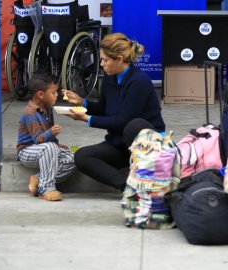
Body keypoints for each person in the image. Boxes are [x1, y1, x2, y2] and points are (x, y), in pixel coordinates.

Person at [62, 32, 165, 192]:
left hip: (146, 145)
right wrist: (83, 103)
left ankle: (152, 176)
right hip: (120, 145)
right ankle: (131, 187)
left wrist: (87, 119)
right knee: (82, 156)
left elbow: (123, 120)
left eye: (105, 60)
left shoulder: (139, 81)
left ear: (119, 59)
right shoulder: (109, 79)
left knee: (134, 125)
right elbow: (105, 109)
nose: (101, 64)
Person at [17, 71, 75, 201]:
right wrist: (51, 134)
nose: (56, 96)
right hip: (27, 150)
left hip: (45, 148)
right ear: (41, 94)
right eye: (53, 93)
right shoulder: (30, 113)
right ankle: (46, 188)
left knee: (73, 158)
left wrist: (57, 144)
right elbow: (38, 140)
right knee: (49, 148)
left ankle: (38, 178)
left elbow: (49, 139)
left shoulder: (48, 109)